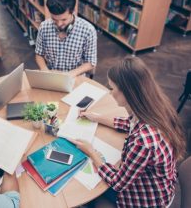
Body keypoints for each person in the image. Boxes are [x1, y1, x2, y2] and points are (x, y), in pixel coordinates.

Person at [72, 57, 186, 207]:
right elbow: (129, 124)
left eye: (112, 89)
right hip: (158, 185)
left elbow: (117, 183)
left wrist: (91, 152)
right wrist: (96, 117)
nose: (111, 94)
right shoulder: (153, 109)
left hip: (146, 199)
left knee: (86, 195)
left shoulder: (143, 140)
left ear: (128, 92)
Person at [35, 0, 97, 77]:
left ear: (73, 11)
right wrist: (45, 70)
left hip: (75, 77)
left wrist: (70, 74)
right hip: (51, 77)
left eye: (64, 19)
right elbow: (39, 54)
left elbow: (91, 62)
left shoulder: (88, 30)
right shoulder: (44, 27)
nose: (59, 24)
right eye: (54, 19)